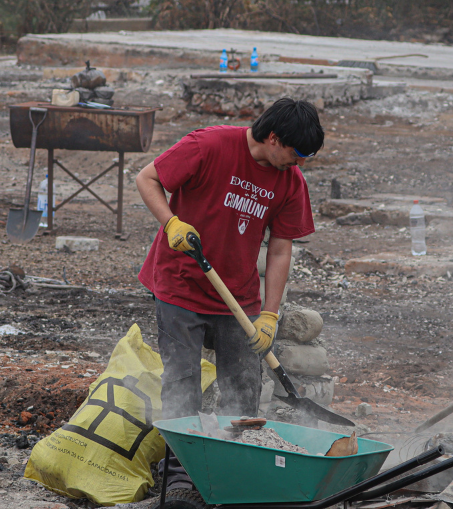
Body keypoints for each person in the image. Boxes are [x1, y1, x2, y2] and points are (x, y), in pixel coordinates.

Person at [135, 97, 321, 489]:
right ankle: (180, 476)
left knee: (243, 384)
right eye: (297, 154)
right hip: (180, 285)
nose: (300, 164)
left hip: (238, 296)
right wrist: (171, 223)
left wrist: (269, 314)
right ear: (274, 138)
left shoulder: (290, 181)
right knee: (182, 381)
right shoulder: (208, 145)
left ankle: (234, 468)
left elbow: (280, 249)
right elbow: (147, 178)